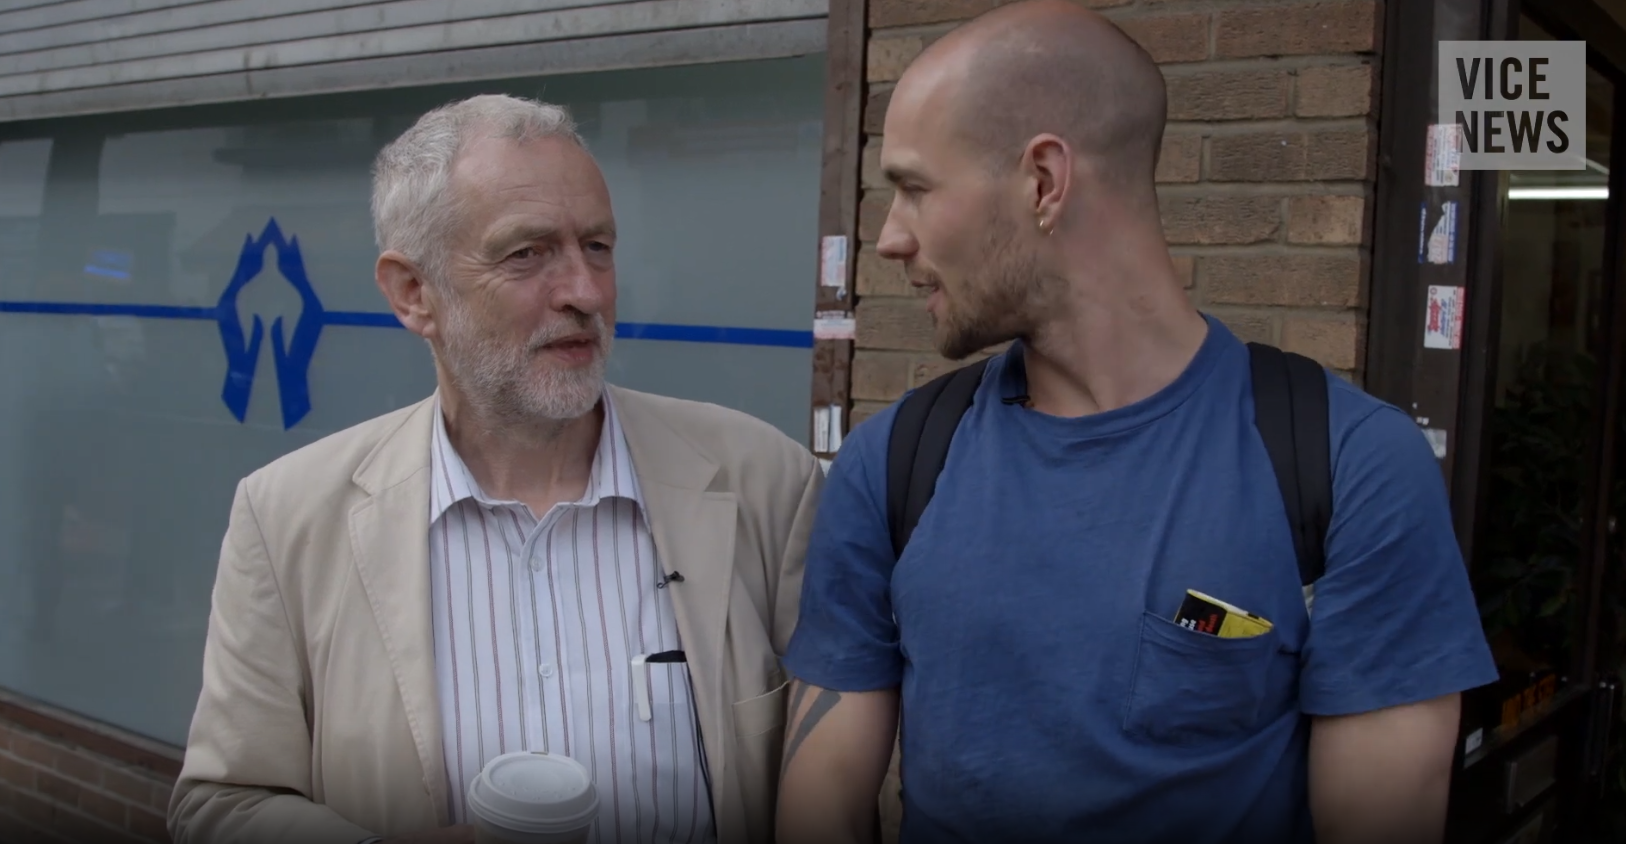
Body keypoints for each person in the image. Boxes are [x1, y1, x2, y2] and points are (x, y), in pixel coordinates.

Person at [775, 3, 1499, 844]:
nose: (890, 238)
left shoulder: (1348, 466)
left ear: (1044, 181)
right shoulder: (894, 462)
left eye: (913, 189)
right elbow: (818, 801)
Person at [168, 94, 821, 844]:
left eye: (598, 247)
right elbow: (220, 804)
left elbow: (833, 772)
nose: (585, 292)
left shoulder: (762, 480)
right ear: (414, 294)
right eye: (527, 253)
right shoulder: (288, 516)